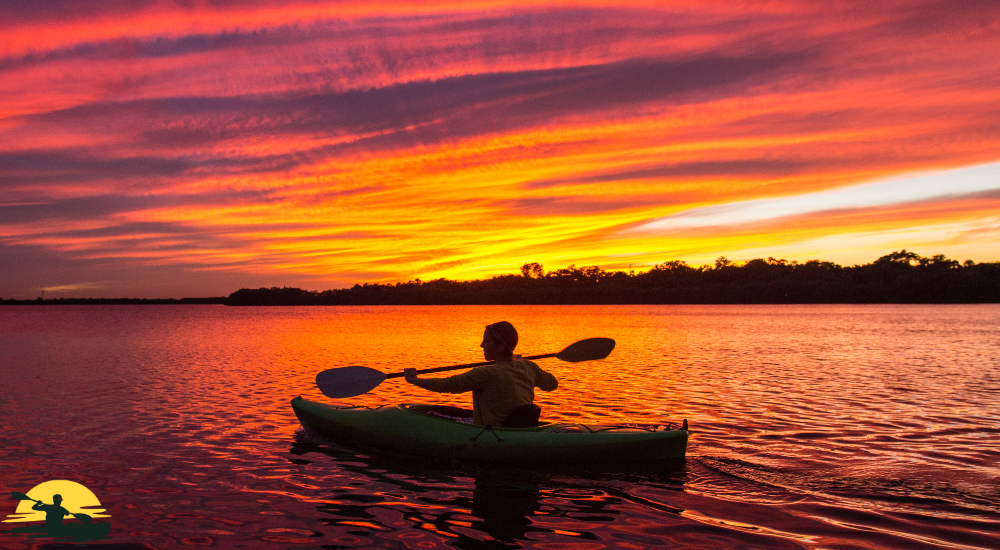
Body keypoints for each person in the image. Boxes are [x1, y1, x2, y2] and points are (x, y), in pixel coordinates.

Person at [404, 321, 558, 426]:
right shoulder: (529, 367)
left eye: (487, 341)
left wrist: (413, 380)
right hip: (518, 427)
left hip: (494, 431)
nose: (481, 345)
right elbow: (552, 384)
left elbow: (447, 385)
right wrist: (522, 363)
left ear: (502, 346)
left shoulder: (486, 373)